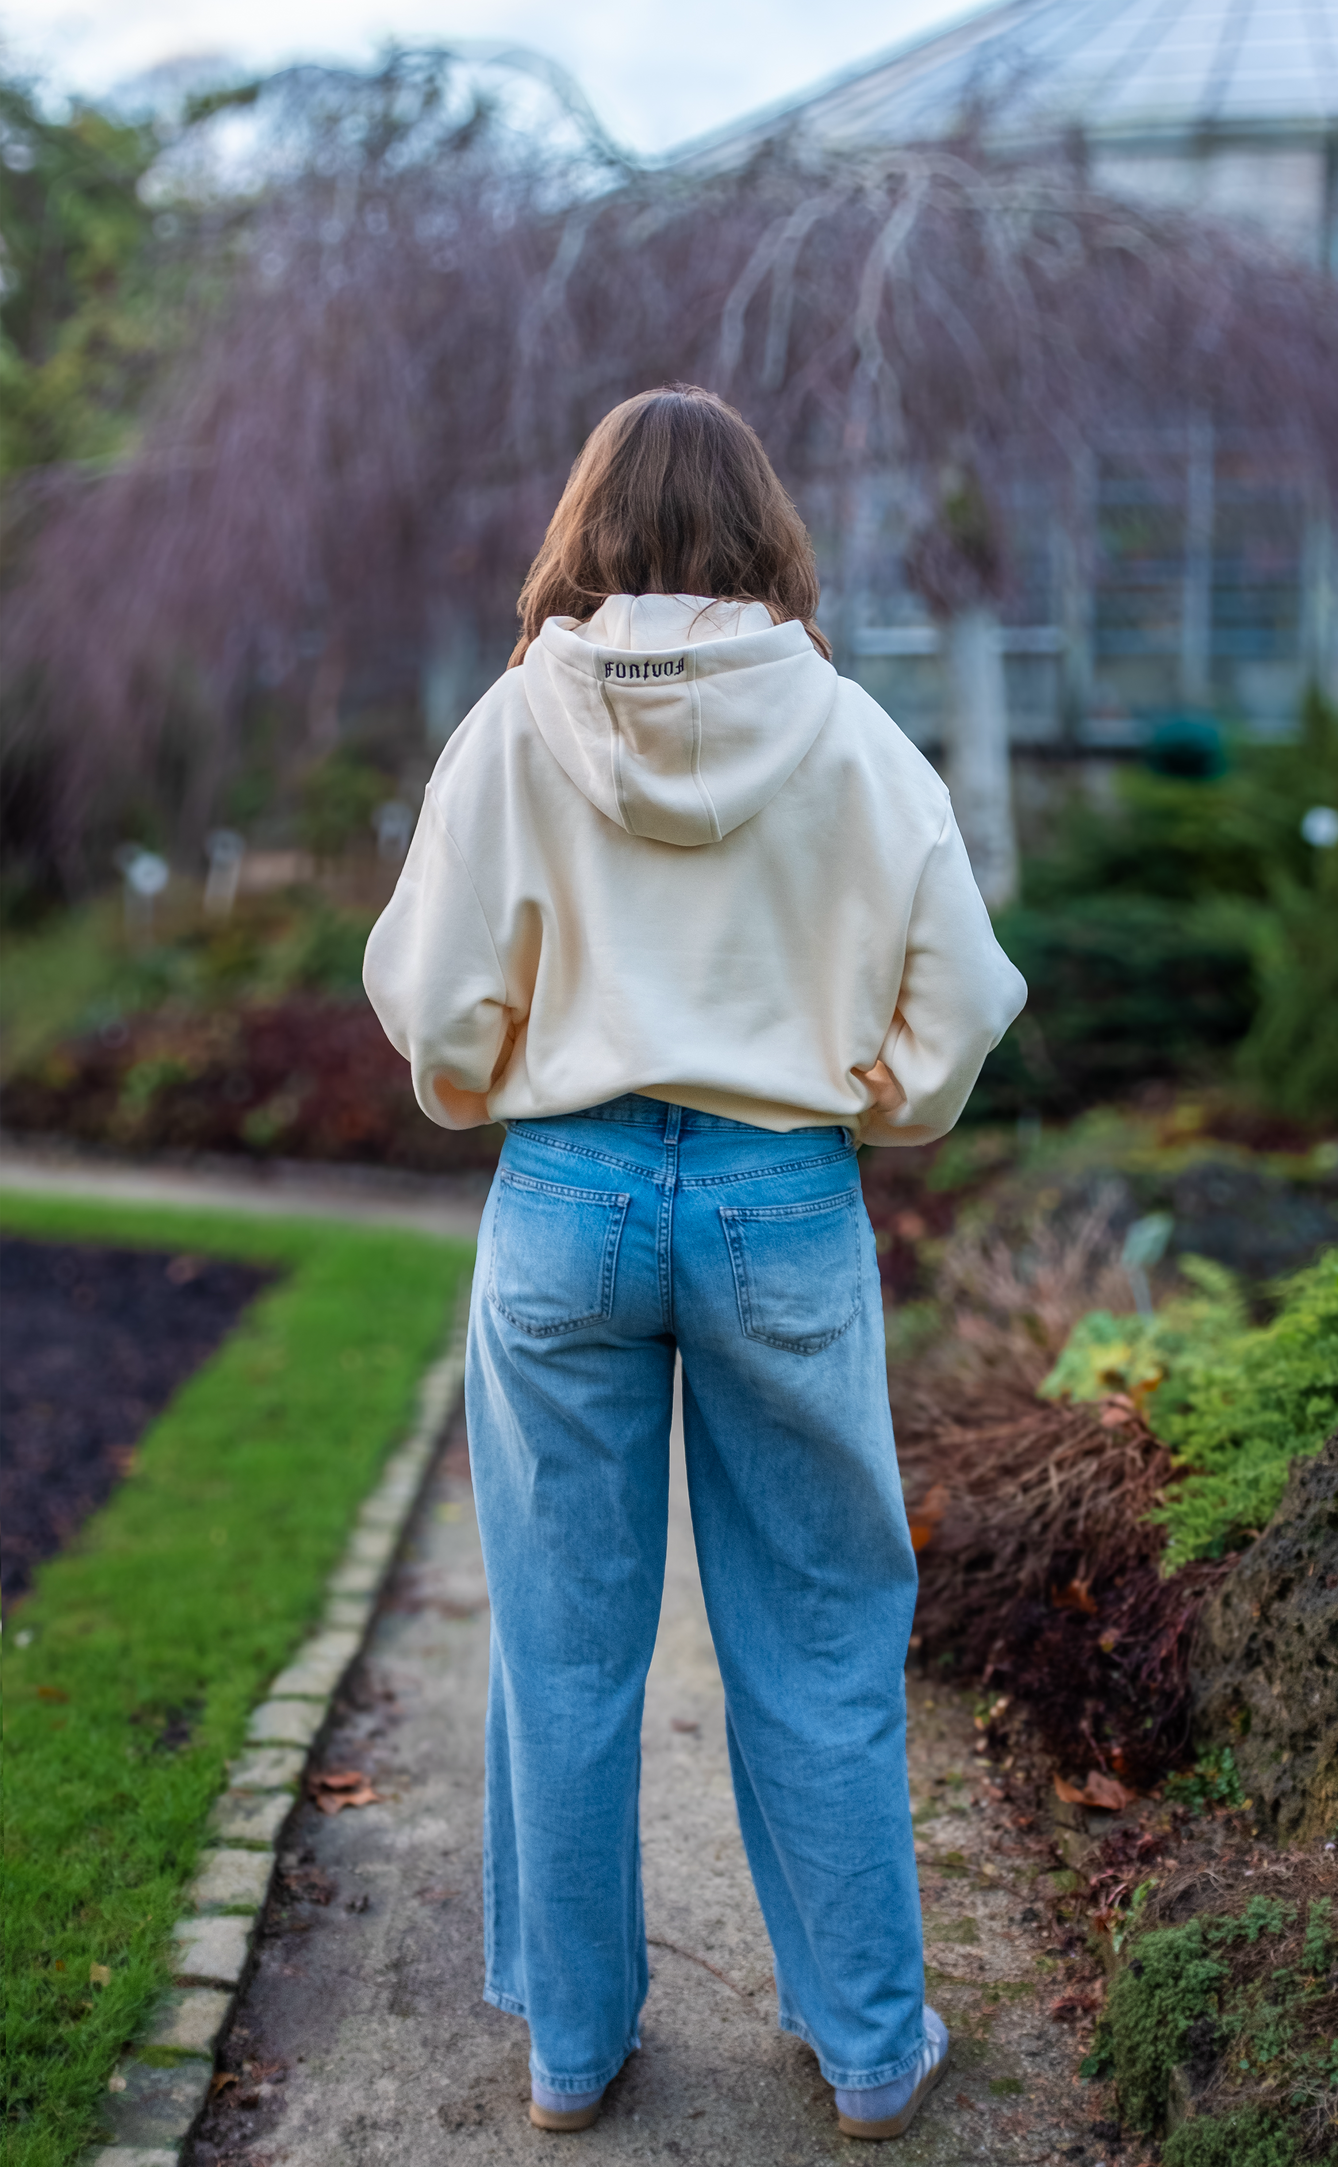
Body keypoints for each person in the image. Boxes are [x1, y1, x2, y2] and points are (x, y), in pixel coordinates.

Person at [364, 383, 1026, 2140]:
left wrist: (493, 1083)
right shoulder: (849, 727)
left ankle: (573, 2049)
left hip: (565, 1197)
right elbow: (959, 996)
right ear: (766, 530)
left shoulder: (515, 726)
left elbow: (429, 999)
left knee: (563, 1646)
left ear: (587, 522)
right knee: (816, 1634)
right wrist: (871, 1108)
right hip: (778, 1198)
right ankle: (874, 2048)